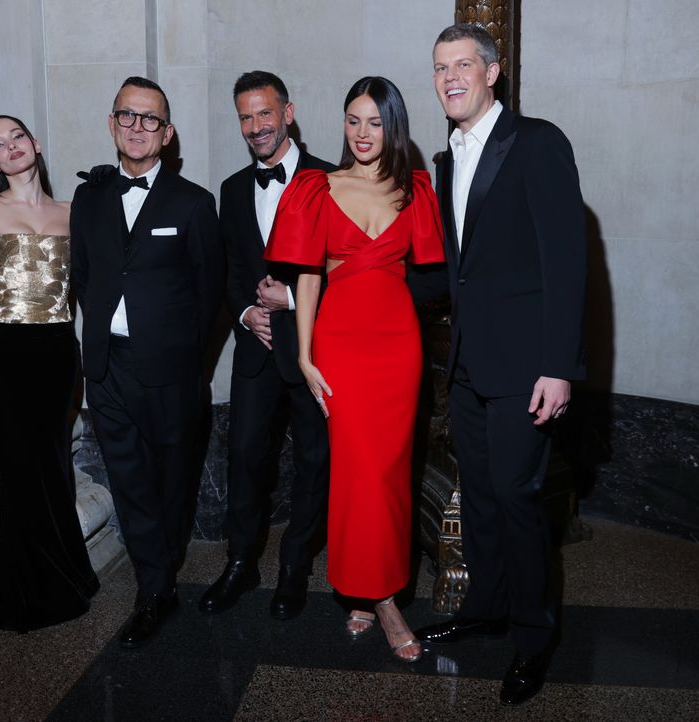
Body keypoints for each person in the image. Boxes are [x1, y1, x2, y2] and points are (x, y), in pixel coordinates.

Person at [409, 24, 587, 705]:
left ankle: (534, 639)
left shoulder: (537, 142)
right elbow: (457, 272)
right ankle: (486, 607)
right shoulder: (446, 158)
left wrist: (558, 366)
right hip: (469, 366)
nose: (449, 77)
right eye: (439, 67)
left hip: (526, 369)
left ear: (493, 71)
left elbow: (566, 262)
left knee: (516, 499)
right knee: (480, 497)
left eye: (463, 64)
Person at [264, 76, 444, 661]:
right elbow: (308, 277)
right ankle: (375, 595)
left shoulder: (416, 190)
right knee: (354, 471)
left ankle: (376, 592)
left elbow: (434, 274)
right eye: (353, 120)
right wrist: (304, 354)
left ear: (394, 126)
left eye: (375, 122)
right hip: (339, 344)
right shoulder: (317, 187)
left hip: (397, 347)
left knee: (389, 474)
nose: (362, 133)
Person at [70, 77, 224, 647]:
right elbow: (84, 275)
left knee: (171, 480)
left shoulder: (193, 202)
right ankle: (154, 588)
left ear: (168, 132)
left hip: (171, 371)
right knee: (130, 480)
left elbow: (211, 293)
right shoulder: (88, 199)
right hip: (107, 367)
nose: (138, 127)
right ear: (112, 123)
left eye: (150, 118)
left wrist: (187, 359)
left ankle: (163, 570)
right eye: (127, 116)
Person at [0, 114, 100, 637]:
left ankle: (68, 577)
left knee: (53, 467)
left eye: (17, 136)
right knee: (17, 475)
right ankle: (7, 595)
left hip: (57, 353)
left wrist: (106, 193)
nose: (10, 147)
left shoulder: (74, 212)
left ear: (34, 144)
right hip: (1, 353)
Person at [199, 71, 333, 620]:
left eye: (264, 113)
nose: (255, 126)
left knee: (314, 460)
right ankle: (240, 562)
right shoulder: (232, 189)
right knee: (244, 458)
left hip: (313, 352)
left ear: (288, 113)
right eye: (245, 117)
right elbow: (228, 270)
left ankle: (295, 566)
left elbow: (347, 273)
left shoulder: (330, 179)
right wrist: (245, 312)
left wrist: (293, 301)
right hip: (254, 352)